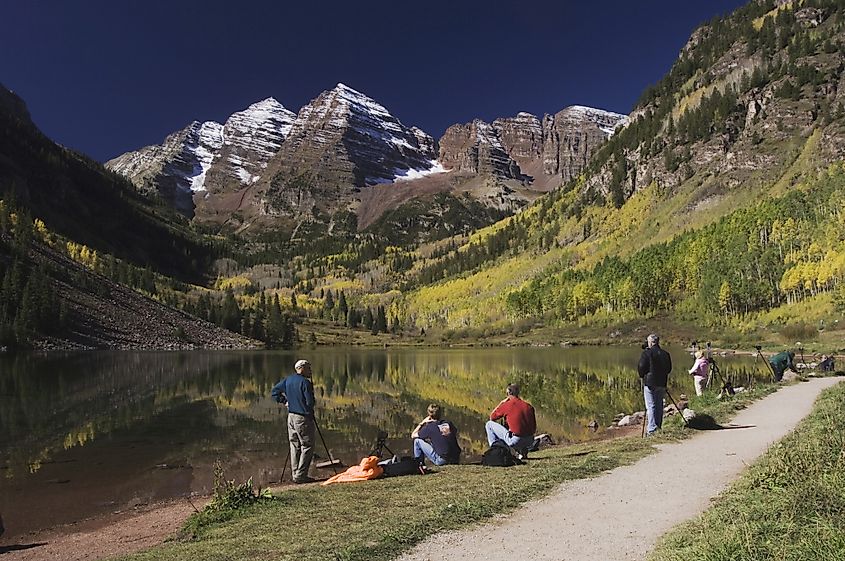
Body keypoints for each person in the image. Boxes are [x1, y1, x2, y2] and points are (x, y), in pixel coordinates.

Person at [272, 359, 317, 484]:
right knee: (307, 446)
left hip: (291, 416)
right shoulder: (305, 383)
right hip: (303, 417)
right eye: (308, 368)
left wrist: (285, 401)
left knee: (294, 445)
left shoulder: (288, 380)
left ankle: (295, 473)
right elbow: (310, 403)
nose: (310, 371)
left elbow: (275, 392)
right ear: (301, 368)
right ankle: (301, 475)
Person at [485, 383, 536, 458]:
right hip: (530, 440)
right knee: (519, 427)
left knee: (489, 424)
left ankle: (495, 452)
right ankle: (522, 451)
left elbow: (492, 417)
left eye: (506, 393)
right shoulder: (528, 406)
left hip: (516, 440)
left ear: (509, 392)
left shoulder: (507, 405)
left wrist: (501, 403)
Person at [638, 333, 672, 435]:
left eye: (648, 341)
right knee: (659, 405)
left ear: (650, 342)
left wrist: (642, 375)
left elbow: (641, 366)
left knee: (651, 405)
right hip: (662, 382)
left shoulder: (647, 353)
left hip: (650, 382)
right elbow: (669, 369)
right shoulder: (665, 354)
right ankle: (658, 426)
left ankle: (652, 429)